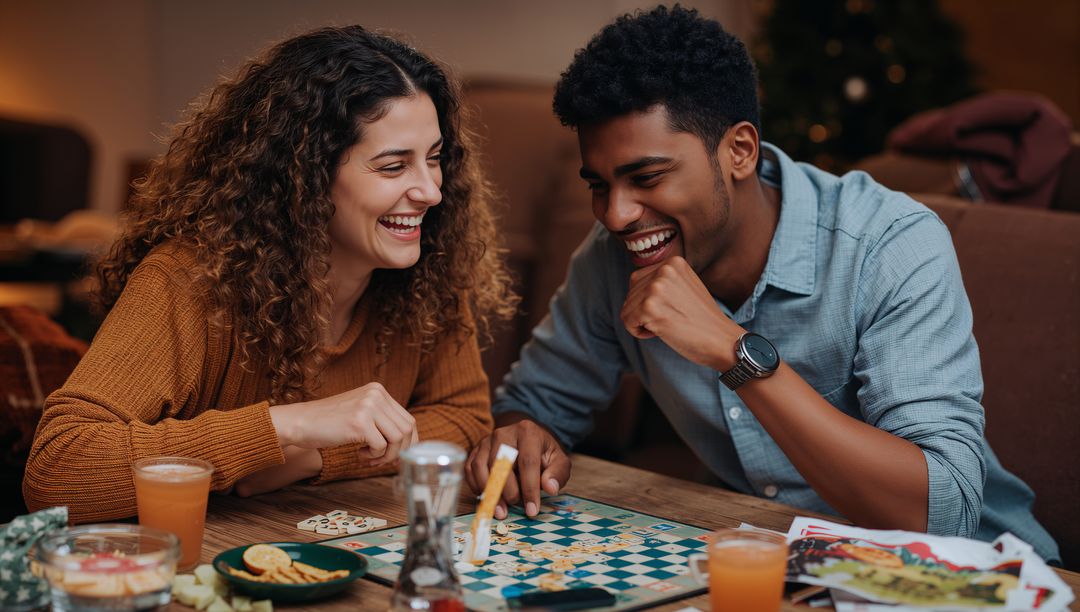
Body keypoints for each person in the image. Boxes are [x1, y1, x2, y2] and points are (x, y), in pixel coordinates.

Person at [464, 5, 1059, 562]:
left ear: (740, 151)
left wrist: (734, 352)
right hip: (774, 565)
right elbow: (535, 406)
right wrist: (524, 436)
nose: (616, 215)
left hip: (977, 576)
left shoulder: (889, 246)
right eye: (599, 185)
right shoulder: (612, 260)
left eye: (647, 177)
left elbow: (937, 514)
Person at [23, 25, 516, 523]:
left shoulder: (429, 272)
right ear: (305, 176)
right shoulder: (186, 280)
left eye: (434, 159)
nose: (431, 191)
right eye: (393, 167)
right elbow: (59, 470)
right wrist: (284, 428)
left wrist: (315, 457)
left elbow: (464, 418)